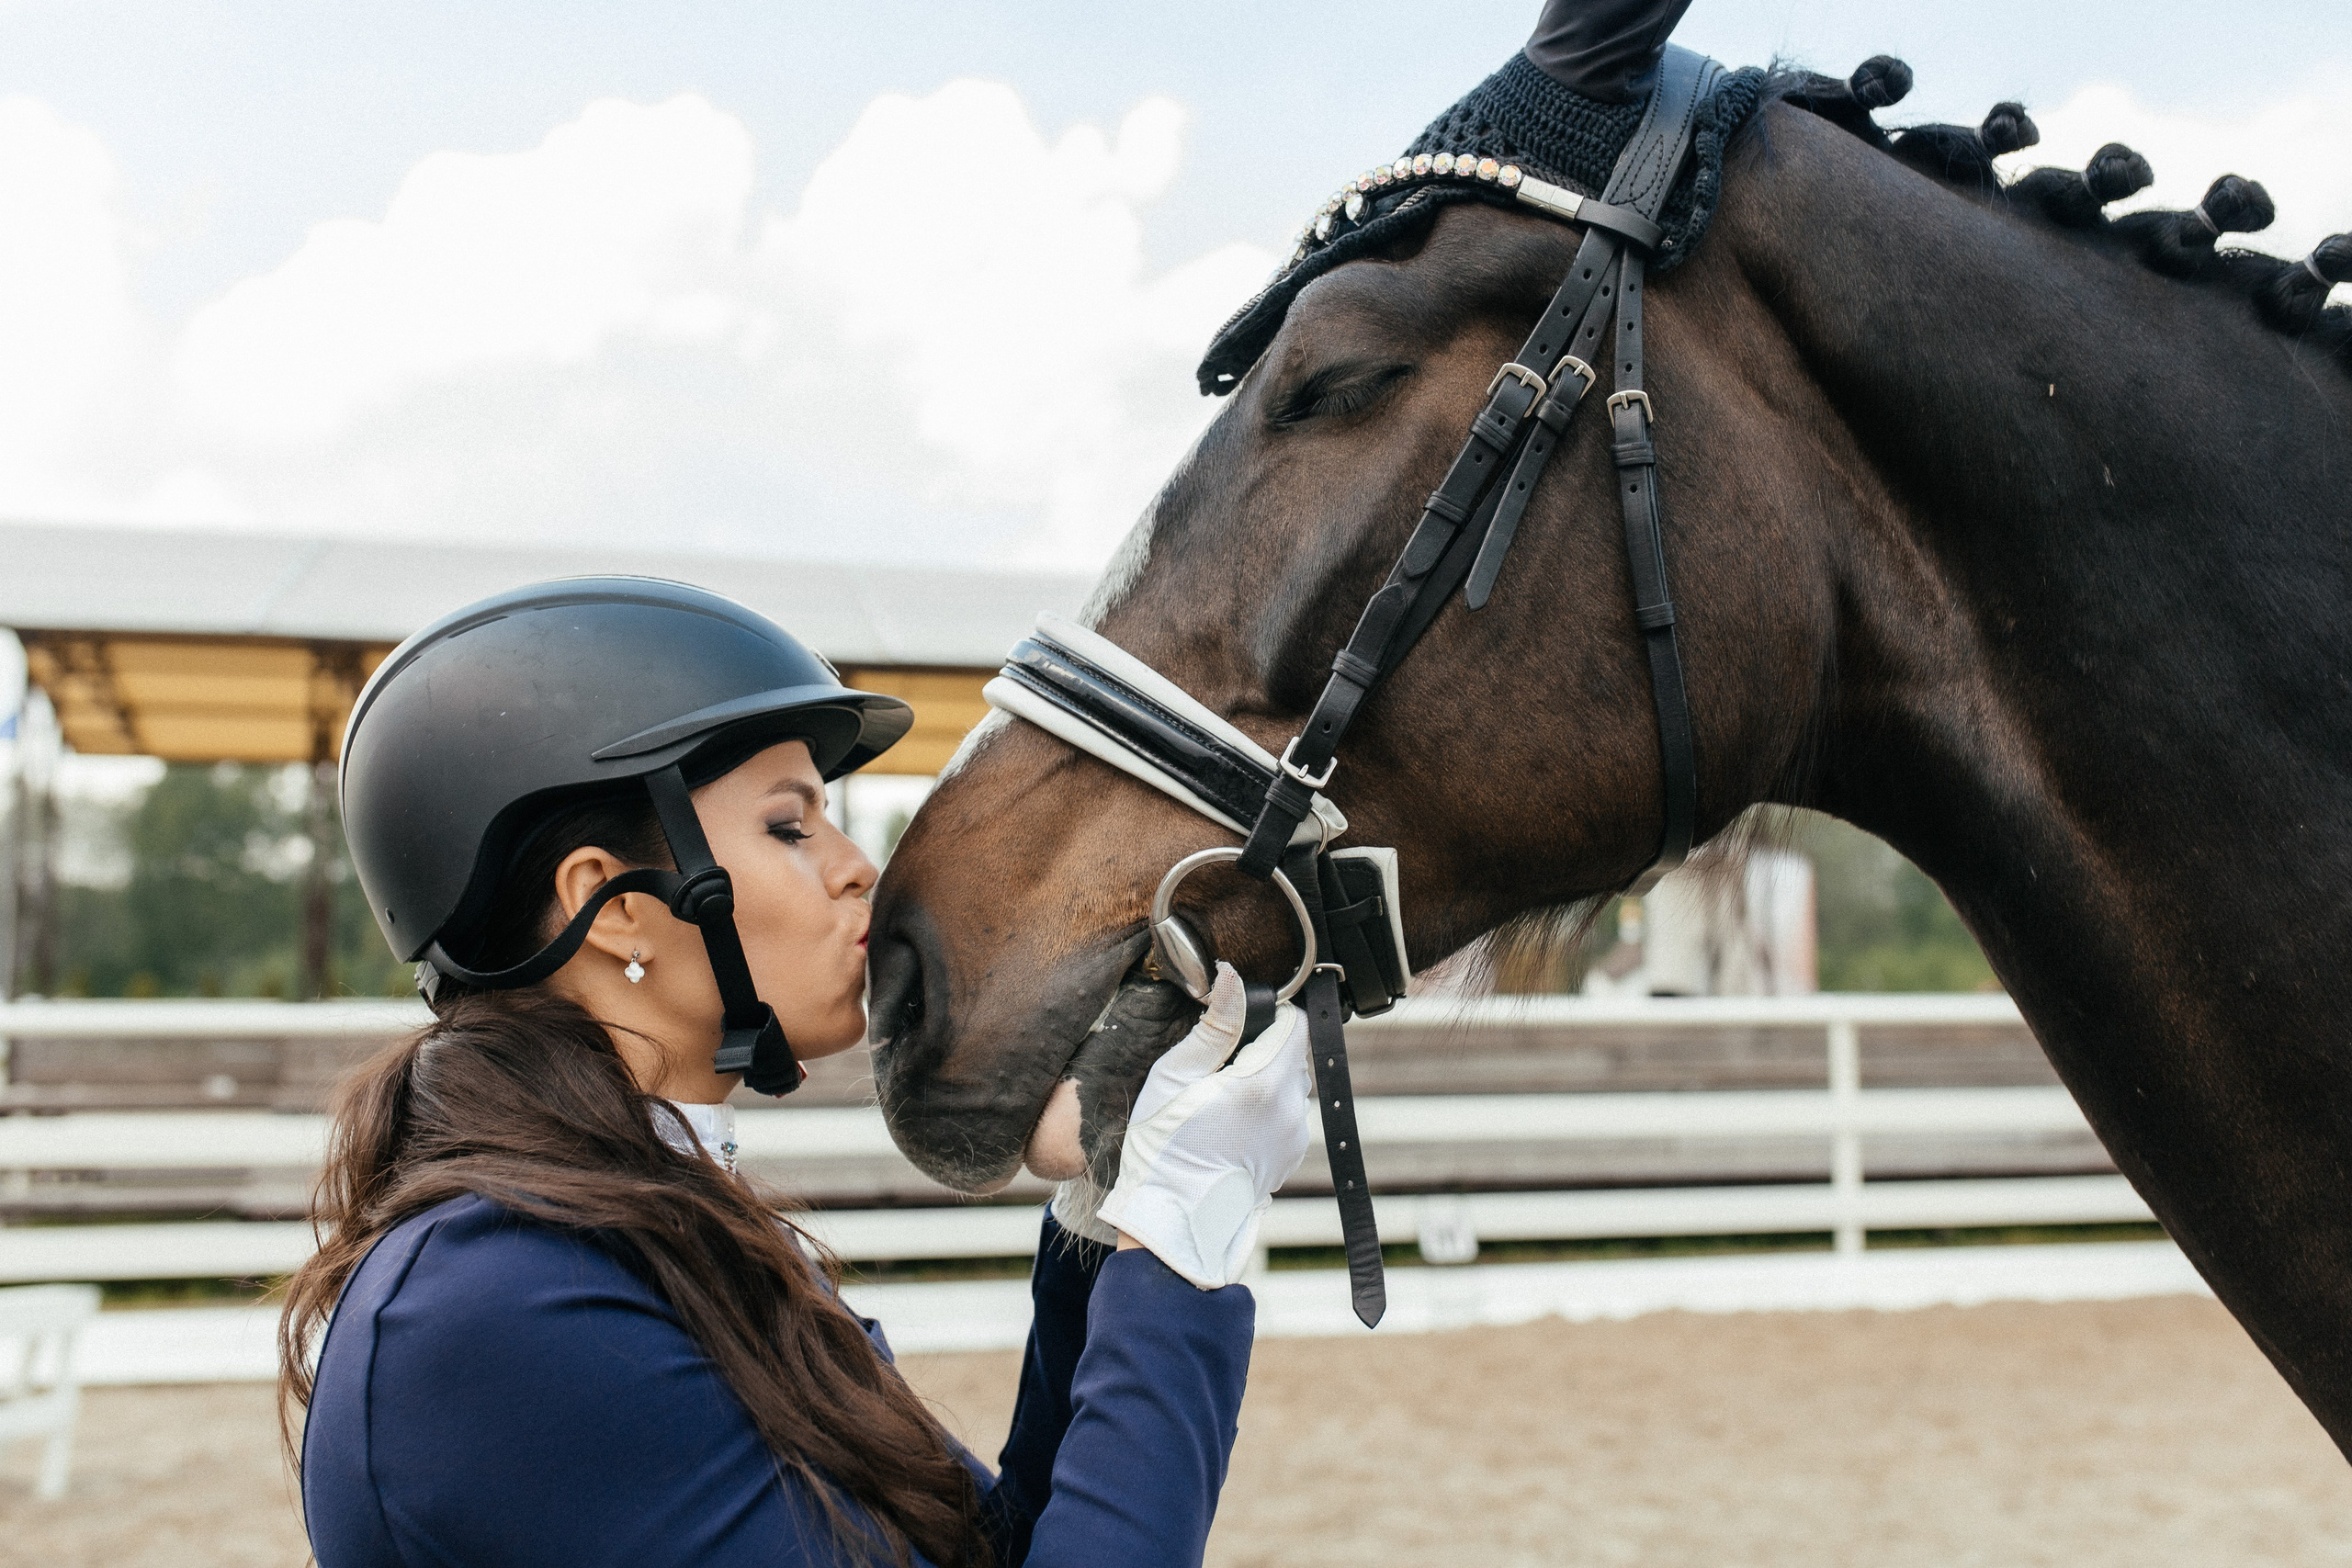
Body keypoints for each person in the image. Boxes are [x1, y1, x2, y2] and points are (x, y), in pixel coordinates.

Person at [283, 577, 1317, 1568]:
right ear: (615, 903)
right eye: (789, 825)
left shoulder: (649, 1233)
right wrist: (1182, 1236)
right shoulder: (500, 1312)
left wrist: (1109, 1201)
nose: (856, 865)